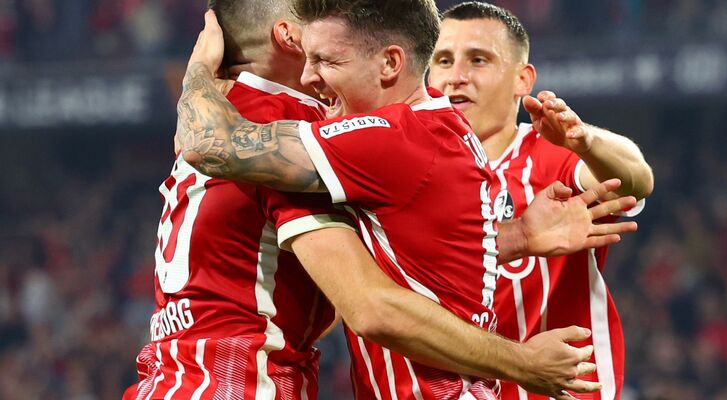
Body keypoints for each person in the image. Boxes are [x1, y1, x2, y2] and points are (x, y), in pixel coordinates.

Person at [174, 1, 638, 398]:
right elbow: (418, 252)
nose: (310, 77)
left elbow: (207, 142)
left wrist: (199, 68)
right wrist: (512, 236)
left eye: (327, 61)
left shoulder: (394, 138)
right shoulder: (433, 130)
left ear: (390, 63)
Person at [427, 2, 655, 399]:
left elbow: (635, 180)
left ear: (523, 79)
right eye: (443, 60)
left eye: (478, 60)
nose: (456, 77)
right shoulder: (407, 170)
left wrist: (586, 140)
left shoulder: (549, 158)